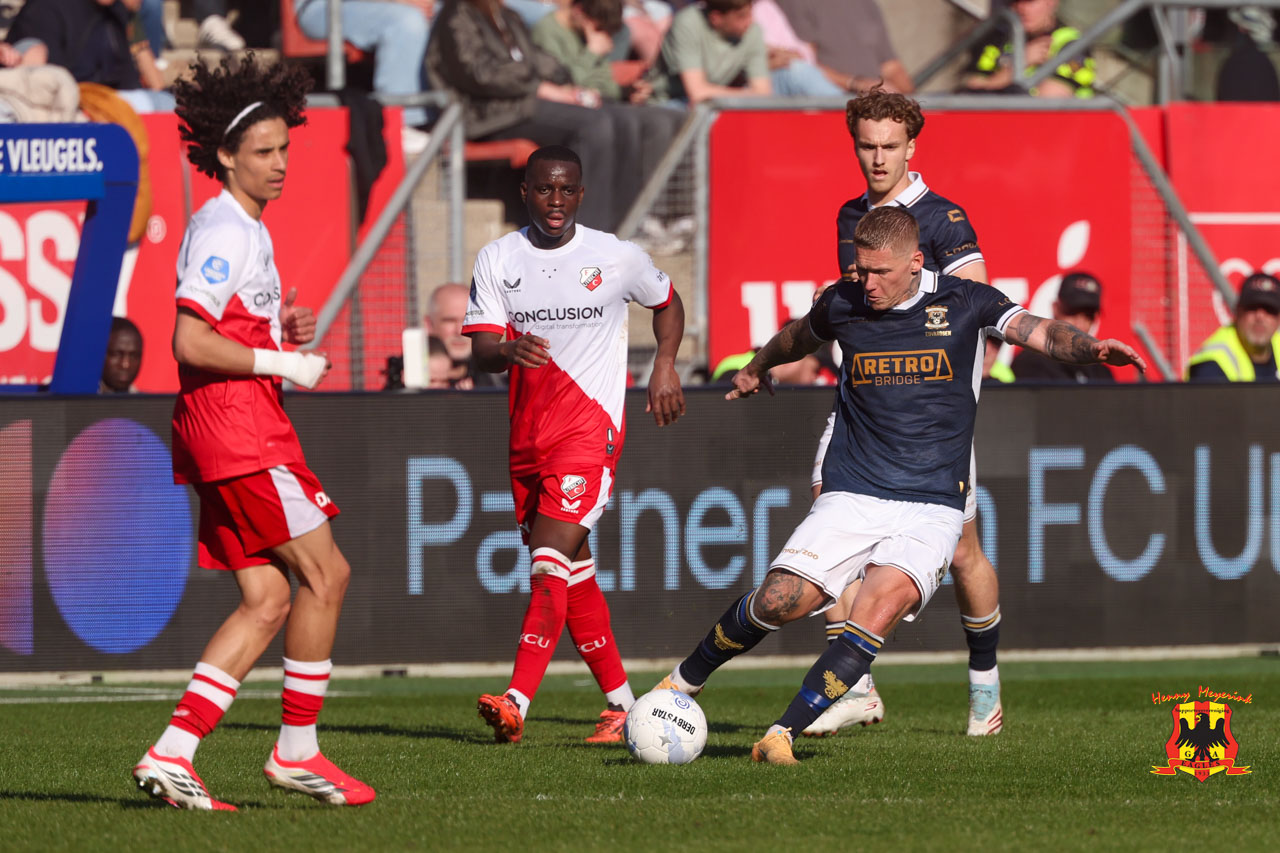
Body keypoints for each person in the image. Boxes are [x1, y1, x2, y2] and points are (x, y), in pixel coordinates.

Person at [655, 205, 1146, 764]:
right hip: (854, 489)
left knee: (879, 606)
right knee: (779, 600)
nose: (868, 284)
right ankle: (679, 684)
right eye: (861, 271)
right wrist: (756, 365)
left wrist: (1092, 348)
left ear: (915, 263)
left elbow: (1041, 333)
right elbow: (798, 336)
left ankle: (780, 734)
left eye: (880, 273)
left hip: (933, 503)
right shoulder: (845, 300)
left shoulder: (967, 301)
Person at [131, 57, 375, 810]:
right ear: (226, 154)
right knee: (327, 575)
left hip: (233, 420)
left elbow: (227, 323)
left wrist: (279, 326)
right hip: (238, 425)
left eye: (285, 150)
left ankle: (172, 752)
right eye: (264, 152)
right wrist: (284, 359)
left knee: (267, 597)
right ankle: (296, 750)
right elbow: (187, 340)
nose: (278, 165)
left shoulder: (247, 230)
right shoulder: (223, 226)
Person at [803, 87, 1006, 739]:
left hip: (931, 418)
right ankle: (854, 686)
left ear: (912, 147)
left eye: (891, 146)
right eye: (868, 145)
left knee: (967, 552)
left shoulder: (943, 220)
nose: (878, 158)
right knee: (829, 514)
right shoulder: (850, 217)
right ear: (854, 144)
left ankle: (984, 684)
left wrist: (952, 402)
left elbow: (979, 310)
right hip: (863, 408)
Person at [465, 144, 685, 745]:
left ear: (581, 194)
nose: (555, 201)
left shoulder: (615, 257)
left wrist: (664, 364)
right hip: (526, 438)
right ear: (526, 193)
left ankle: (516, 700)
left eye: (566, 190)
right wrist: (506, 349)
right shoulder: (498, 258)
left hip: (588, 434)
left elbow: (668, 304)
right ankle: (623, 709)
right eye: (544, 190)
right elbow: (480, 350)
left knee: (546, 567)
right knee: (574, 575)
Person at [427, 0, 677, 232]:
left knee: (627, 121)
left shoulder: (507, 15)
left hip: (521, 104)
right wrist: (539, 87)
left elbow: (541, 61)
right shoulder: (457, 15)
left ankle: (624, 227)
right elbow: (479, 73)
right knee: (595, 127)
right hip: (487, 114)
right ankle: (585, 231)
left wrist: (570, 83)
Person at [294, 0, 434, 146]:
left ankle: (446, 120)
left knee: (449, 17)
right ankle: (402, 127)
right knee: (407, 22)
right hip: (324, 7)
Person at [5, 0, 175, 113]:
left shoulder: (117, 13)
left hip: (109, 105)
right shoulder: (45, 8)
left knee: (169, 104)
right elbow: (44, 86)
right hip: (66, 109)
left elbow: (130, 81)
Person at [961, 0, 1095, 98]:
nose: (1021, 9)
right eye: (1014, 2)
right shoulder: (997, 40)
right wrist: (1019, 63)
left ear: (1051, 2)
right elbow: (971, 93)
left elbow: (1048, 106)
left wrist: (994, 83)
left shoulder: (1070, 43)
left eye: (1030, 2)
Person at [778, 0, 914, 94]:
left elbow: (891, 67)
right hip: (836, 103)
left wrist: (910, 100)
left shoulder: (866, 4)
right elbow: (804, 64)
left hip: (875, 103)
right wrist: (857, 84)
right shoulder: (796, 3)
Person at [651, 0, 770, 103]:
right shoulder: (687, 23)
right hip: (669, 101)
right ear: (716, 18)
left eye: (750, 13)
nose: (749, 21)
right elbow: (697, 93)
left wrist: (748, 96)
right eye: (741, 16)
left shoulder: (752, 31)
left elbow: (763, 93)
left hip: (715, 104)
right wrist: (749, 95)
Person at [1011, 272, 1115, 383]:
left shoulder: (1100, 372)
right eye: (1072, 312)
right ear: (1055, 308)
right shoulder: (1031, 364)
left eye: (1088, 316)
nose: (1080, 324)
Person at [1186, 272, 1280, 382]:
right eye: (1252, 308)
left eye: (1269, 310)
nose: (1260, 317)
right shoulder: (1211, 365)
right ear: (1237, 311)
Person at [424, 282, 501, 387]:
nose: (460, 331)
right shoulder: (402, 377)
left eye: (468, 320)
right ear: (429, 324)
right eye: (449, 321)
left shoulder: (496, 379)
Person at [100, 316, 143, 393]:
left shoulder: (149, 403)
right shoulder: (77, 400)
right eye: (116, 354)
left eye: (133, 356)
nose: (125, 364)